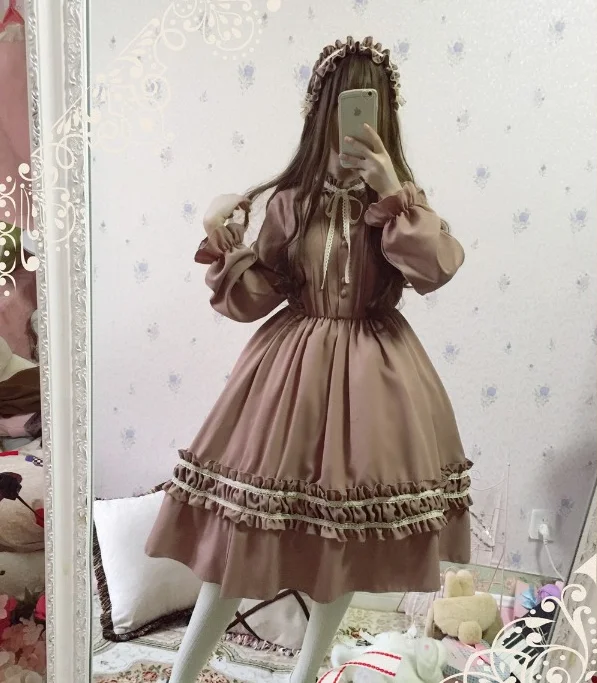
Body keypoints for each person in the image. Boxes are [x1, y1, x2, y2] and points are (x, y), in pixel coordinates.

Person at [145, 35, 472, 683]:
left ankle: (304, 674)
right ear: (323, 111)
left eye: (371, 105)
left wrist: (393, 196)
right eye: (347, 104)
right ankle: (181, 675)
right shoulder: (292, 202)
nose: (358, 120)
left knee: (342, 541)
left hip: (376, 382)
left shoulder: (400, 202)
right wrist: (224, 240)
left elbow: (435, 268)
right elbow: (254, 297)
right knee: (241, 538)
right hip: (287, 377)